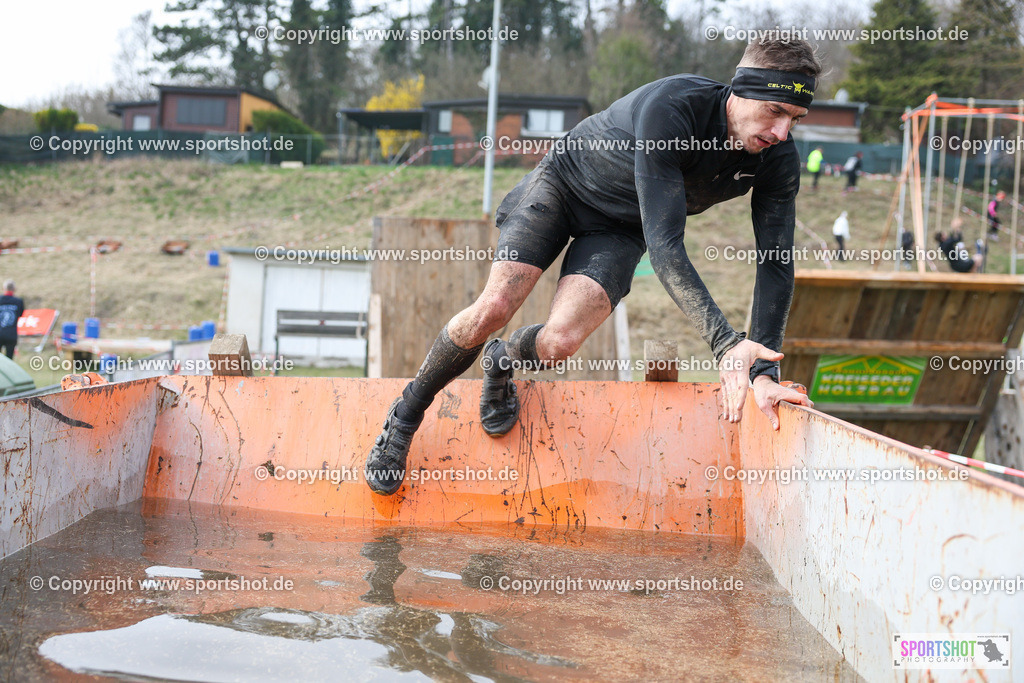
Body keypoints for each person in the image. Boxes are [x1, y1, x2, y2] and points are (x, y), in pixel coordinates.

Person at [364, 38, 819, 496]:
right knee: (495, 307)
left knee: (560, 343)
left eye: (795, 119)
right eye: (775, 110)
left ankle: (501, 360)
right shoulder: (675, 108)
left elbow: (775, 264)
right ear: (740, 90)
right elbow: (666, 246)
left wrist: (763, 373)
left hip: (619, 229)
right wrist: (725, 345)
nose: (781, 132)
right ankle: (406, 413)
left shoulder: (778, 159)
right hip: (563, 186)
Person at [0, 280, 25, 359]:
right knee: (9, 360)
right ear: (14, 289)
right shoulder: (18, 301)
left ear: (4, 288)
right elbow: (20, 314)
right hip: (11, 334)